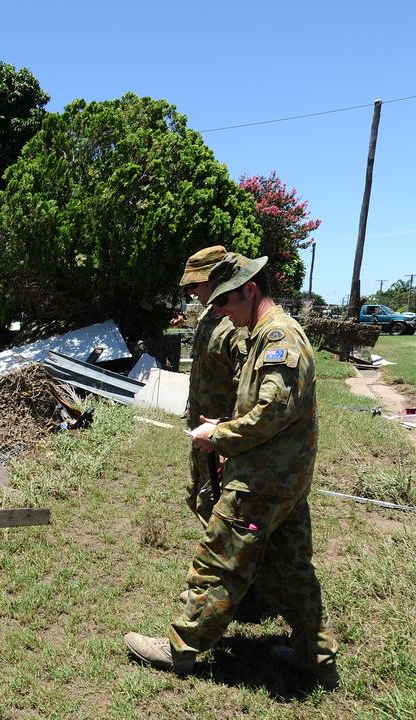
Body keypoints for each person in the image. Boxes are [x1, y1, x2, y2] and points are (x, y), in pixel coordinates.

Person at [124, 253, 339, 689]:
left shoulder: (278, 338)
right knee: (290, 569)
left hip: (261, 480)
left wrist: (219, 435)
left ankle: (180, 647)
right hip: (283, 480)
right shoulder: (263, 332)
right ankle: (314, 656)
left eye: (225, 301)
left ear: (250, 290)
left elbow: (270, 412)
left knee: (217, 558)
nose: (219, 310)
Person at [178, 245, 245, 523]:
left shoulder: (236, 326)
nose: (192, 291)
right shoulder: (208, 316)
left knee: (224, 510)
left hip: (222, 437)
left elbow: (246, 389)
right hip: (201, 429)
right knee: (202, 498)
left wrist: (226, 435)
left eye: (196, 283)